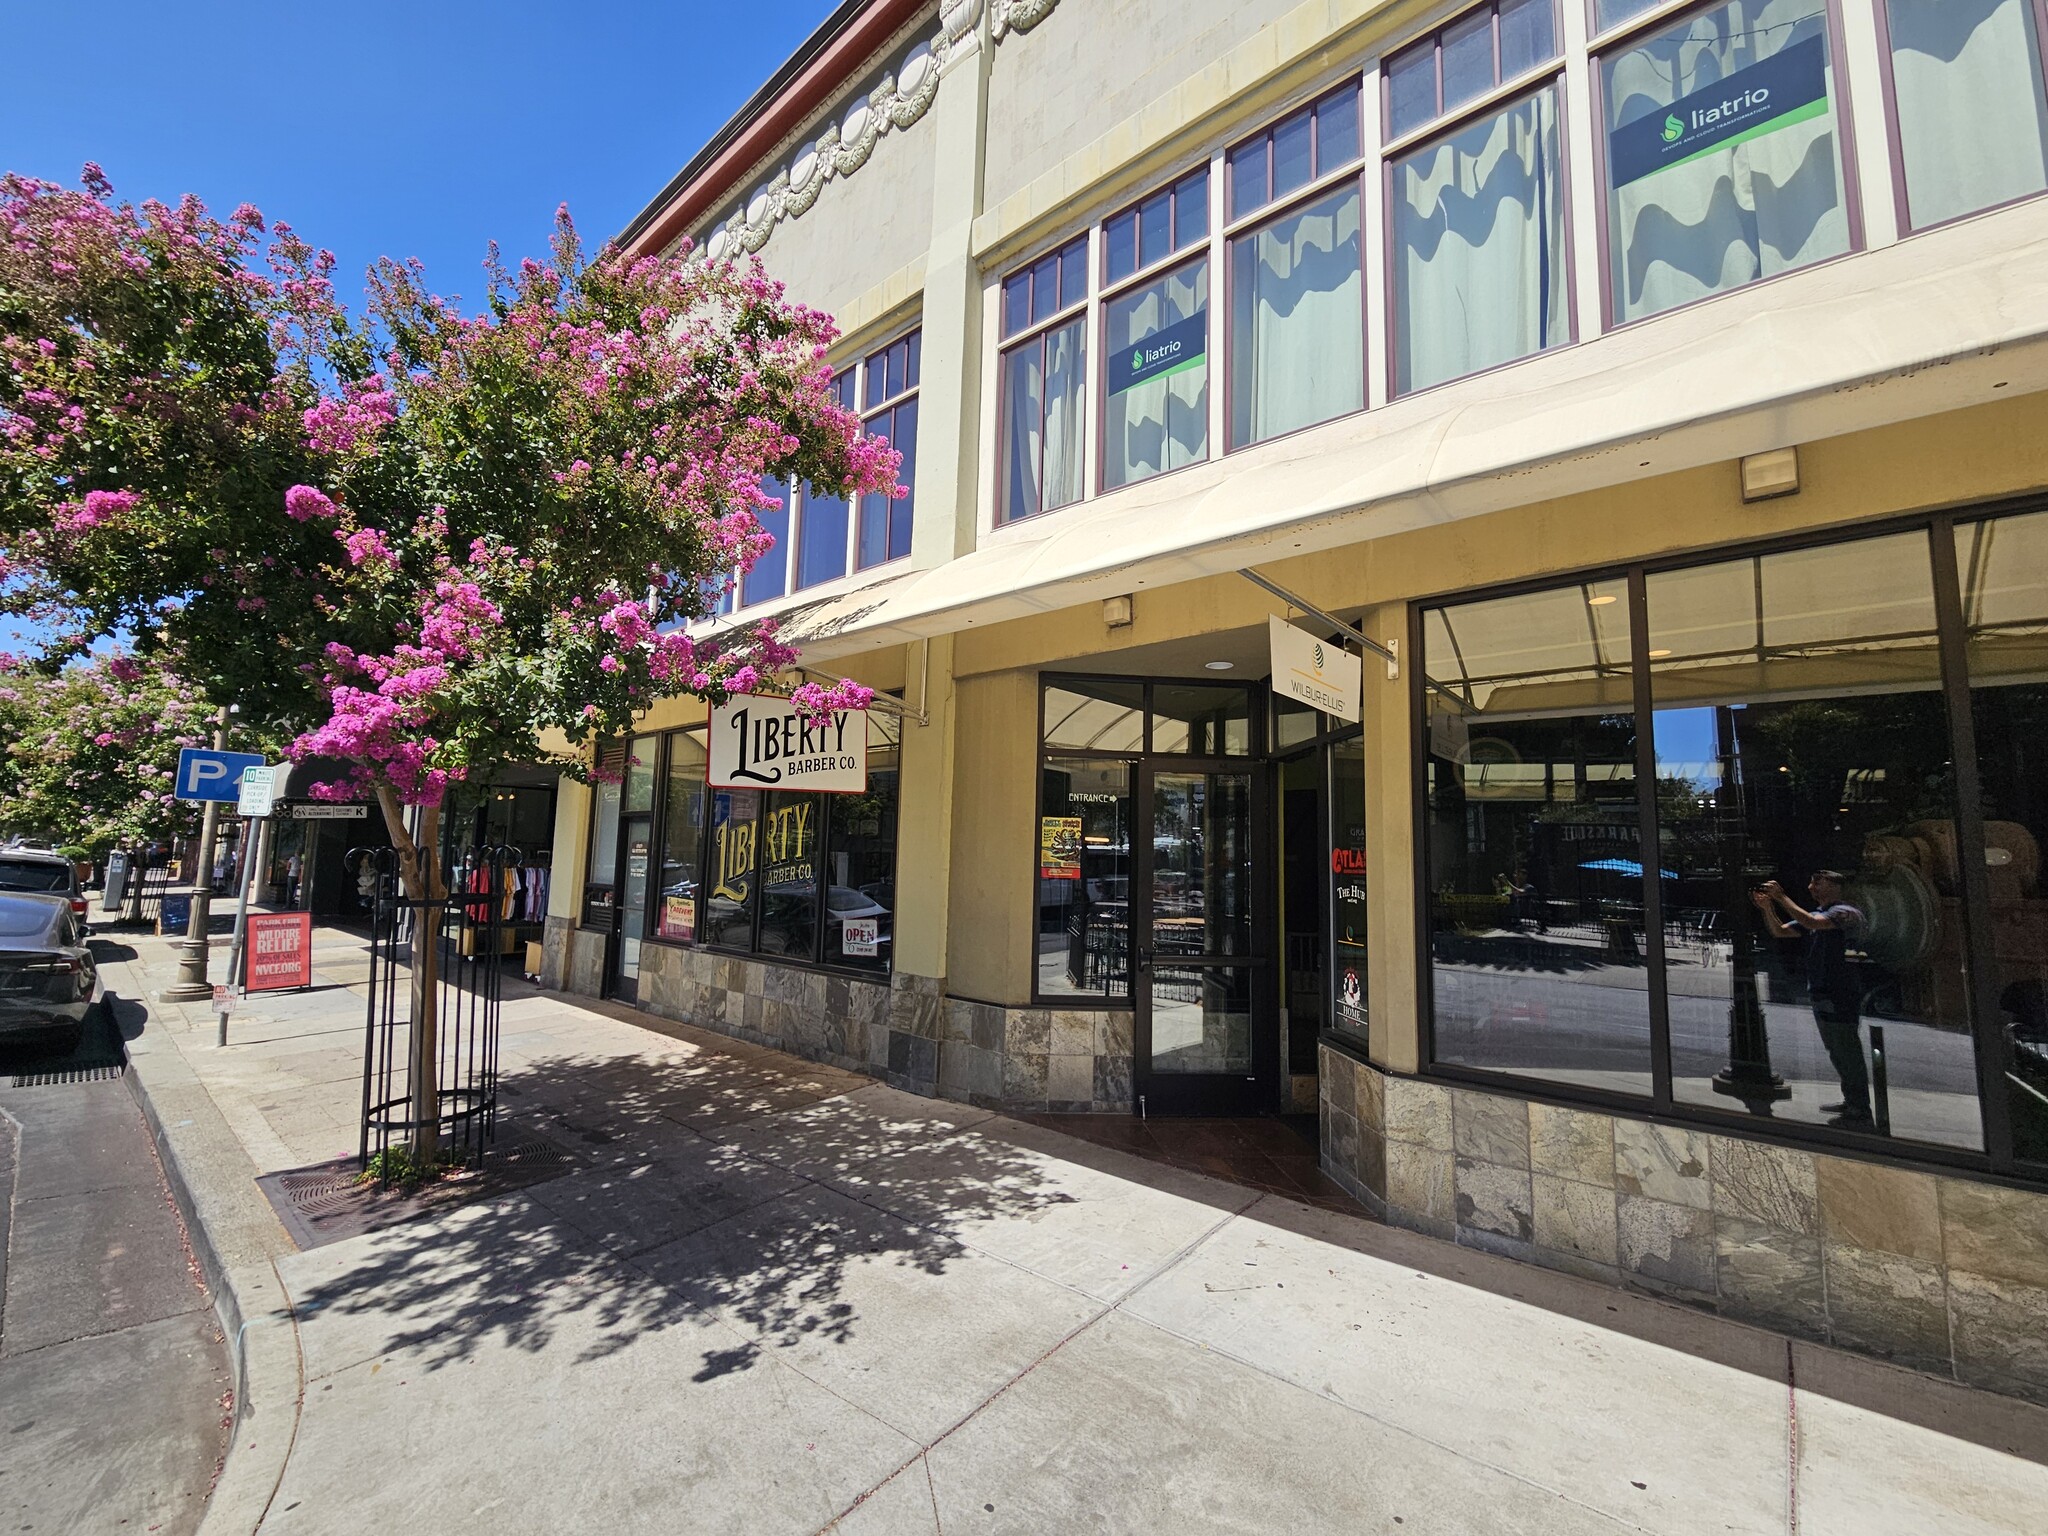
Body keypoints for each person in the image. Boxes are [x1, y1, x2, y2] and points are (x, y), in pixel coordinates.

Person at [1753, 871, 1874, 1130]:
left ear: (1836, 885)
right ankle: (1852, 1101)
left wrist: (1781, 897)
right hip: (1823, 992)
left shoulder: (1844, 913)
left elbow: (1810, 922)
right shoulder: (1821, 914)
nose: (1811, 887)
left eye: (1818, 882)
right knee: (1838, 1051)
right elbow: (1780, 931)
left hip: (1841, 993)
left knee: (1846, 1051)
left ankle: (1860, 1108)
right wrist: (1767, 907)